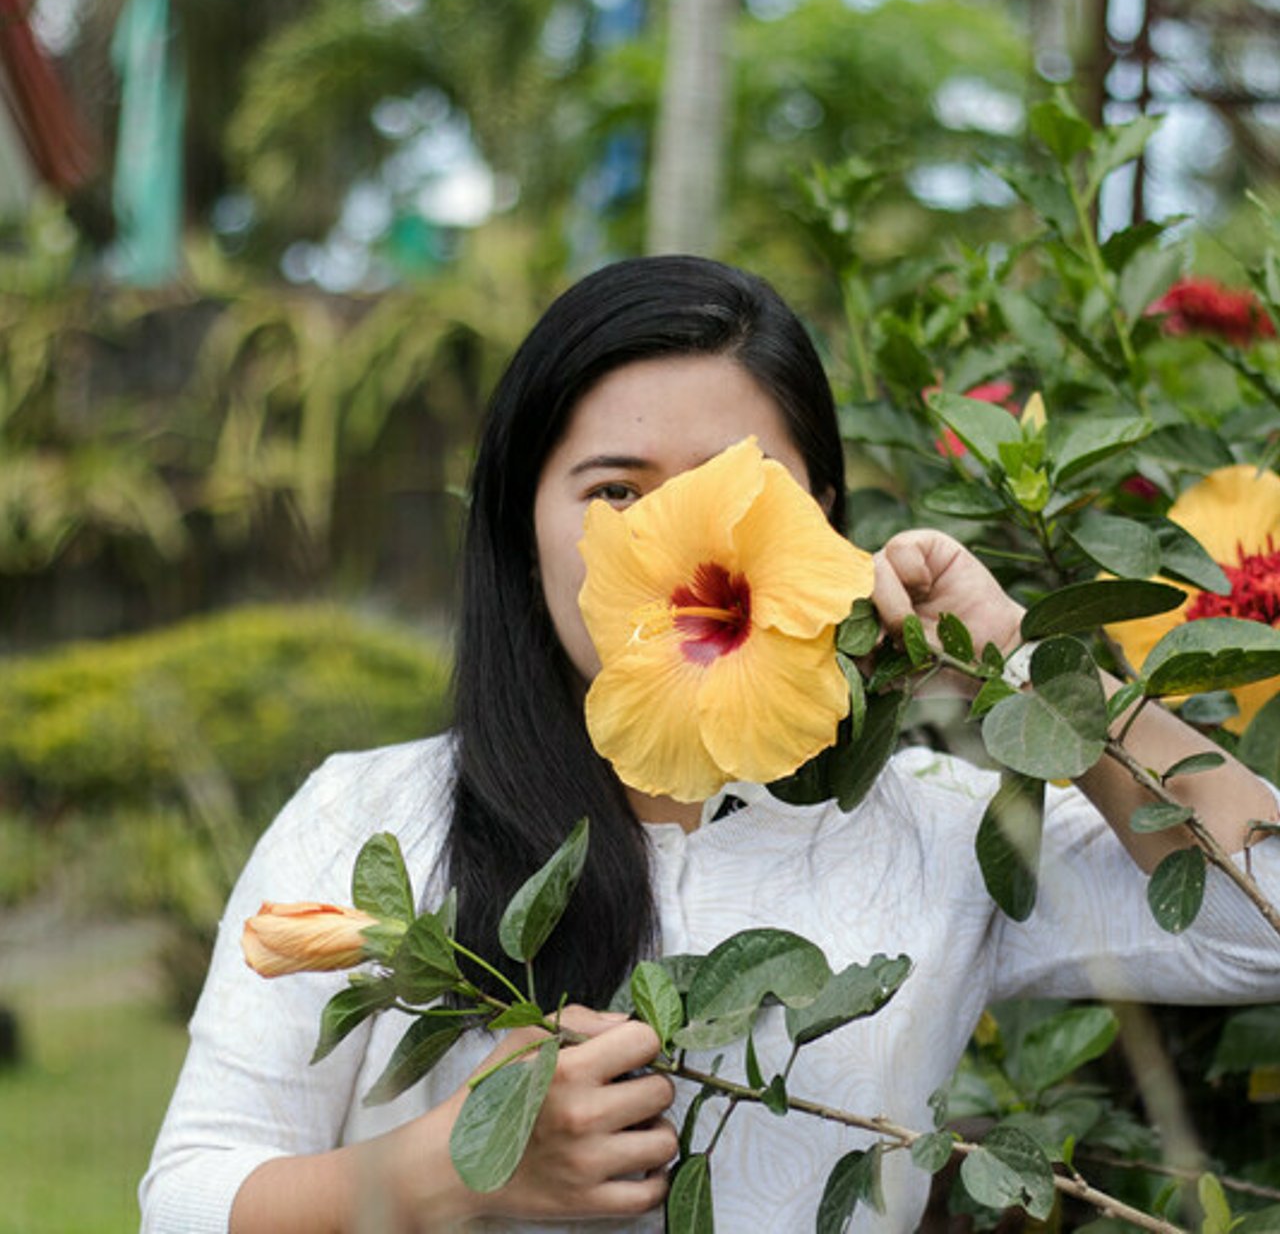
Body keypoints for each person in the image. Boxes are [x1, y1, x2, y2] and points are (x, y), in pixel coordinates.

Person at [140, 255, 1280, 1233]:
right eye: (614, 491)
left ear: (824, 519)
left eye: (740, 492)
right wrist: (447, 1164)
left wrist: (1023, 660)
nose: (677, 544)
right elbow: (184, 1198)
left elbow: (1261, 925)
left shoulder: (940, 824)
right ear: (522, 526)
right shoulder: (371, 814)